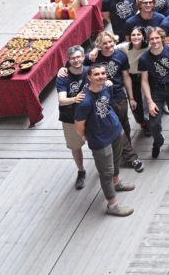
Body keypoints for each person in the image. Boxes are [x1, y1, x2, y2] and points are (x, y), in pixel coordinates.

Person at [75, 64, 135, 216]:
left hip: (115, 132)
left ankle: (117, 182)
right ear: (89, 77)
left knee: (116, 160)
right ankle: (112, 205)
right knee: (106, 172)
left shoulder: (106, 88)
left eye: (103, 73)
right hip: (100, 139)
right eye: (96, 74)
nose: (101, 76)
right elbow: (79, 125)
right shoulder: (84, 101)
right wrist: (86, 136)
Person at [86, 32, 143, 173]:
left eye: (110, 42)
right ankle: (132, 157)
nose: (108, 45)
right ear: (99, 45)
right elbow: (76, 63)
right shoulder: (94, 57)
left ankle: (122, 151)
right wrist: (63, 69)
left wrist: (131, 97)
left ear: (114, 41)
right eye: (104, 43)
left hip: (119, 96)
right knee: (116, 128)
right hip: (102, 99)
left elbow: (126, 77)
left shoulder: (120, 56)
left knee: (125, 125)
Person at [138, 28, 169, 158]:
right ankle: (158, 141)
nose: (154, 41)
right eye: (151, 39)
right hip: (157, 90)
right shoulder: (144, 58)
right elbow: (144, 81)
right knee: (154, 123)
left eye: (157, 38)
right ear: (148, 40)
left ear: (161, 38)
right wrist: (149, 101)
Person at [56, 46, 90, 190]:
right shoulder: (63, 76)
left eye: (78, 57)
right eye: (72, 58)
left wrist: (107, 82)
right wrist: (75, 99)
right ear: (68, 60)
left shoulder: (89, 71)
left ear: (83, 57)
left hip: (89, 116)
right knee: (75, 146)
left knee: (98, 142)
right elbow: (61, 100)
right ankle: (81, 171)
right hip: (70, 117)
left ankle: (103, 167)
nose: (76, 60)